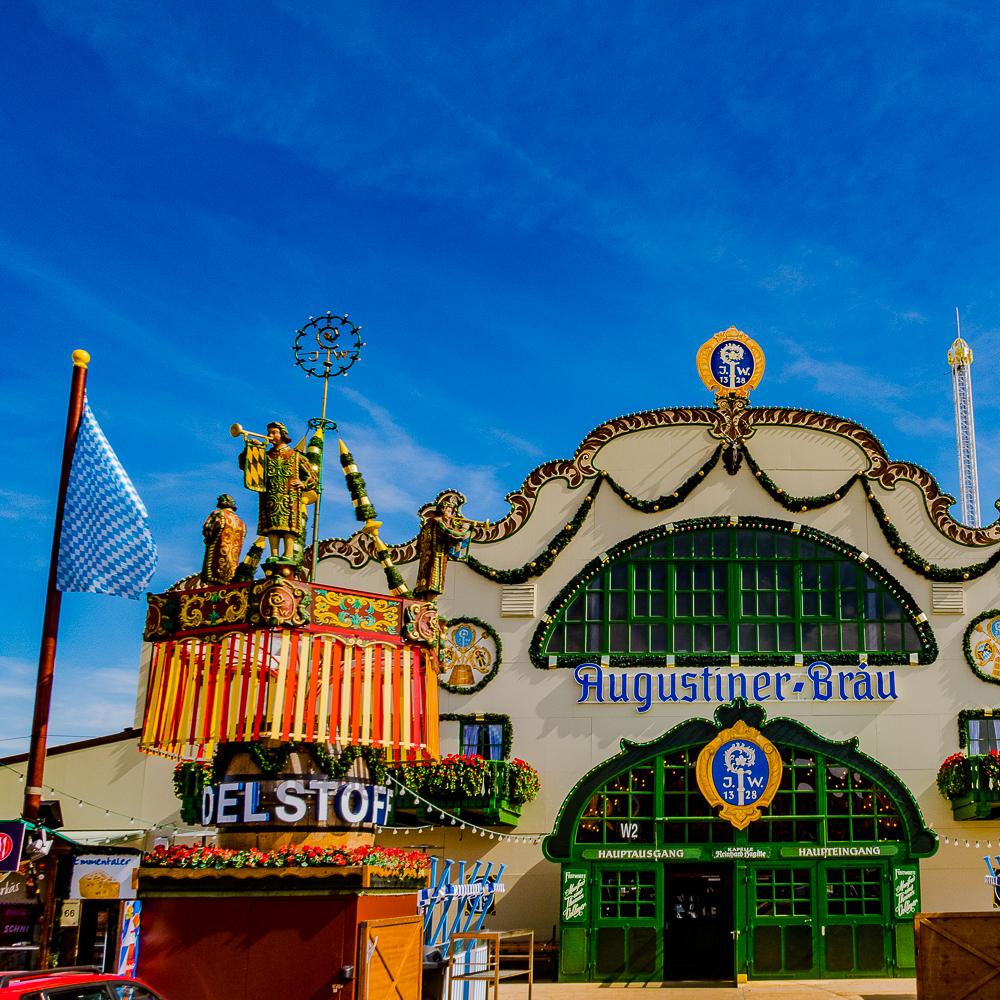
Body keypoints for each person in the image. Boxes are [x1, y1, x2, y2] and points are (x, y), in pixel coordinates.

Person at [241, 421, 317, 562]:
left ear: (282, 435)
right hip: (270, 496)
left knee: (289, 527)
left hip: (290, 496)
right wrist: (251, 449)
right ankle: (274, 554)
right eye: (269, 432)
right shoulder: (266, 455)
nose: (270, 435)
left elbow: (313, 477)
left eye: (273, 432)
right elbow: (243, 465)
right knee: (272, 526)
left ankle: (288, 554)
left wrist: (302, 483)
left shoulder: (295, 455)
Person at [413, 490, 473, 601]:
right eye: (449, 511)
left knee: (425, 584)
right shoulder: (438, 522)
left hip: (425, 561)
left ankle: (425, 601)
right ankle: (430, 604)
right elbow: (452, 534)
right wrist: (465, 529)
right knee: (433, 583)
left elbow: (418, 545)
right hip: (435, 559)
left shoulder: (428, 524)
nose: (451, 515)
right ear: (442, 510)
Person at [200, 494, 246, 584]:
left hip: (215, 560)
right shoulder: (241, 522)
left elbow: (208, 529)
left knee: (212, 582)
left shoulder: (218, 514)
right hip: (232, 564)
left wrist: (207, 539)